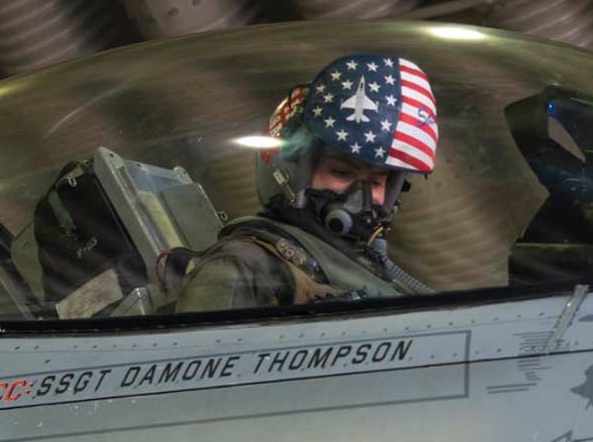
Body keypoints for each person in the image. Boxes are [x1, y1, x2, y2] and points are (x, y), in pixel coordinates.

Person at [175, 52, 438, 312]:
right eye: (342, 172)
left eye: (377, 181)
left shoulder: (365, 271)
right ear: (291, 170)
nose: (362, 195)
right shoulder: (245, 266)